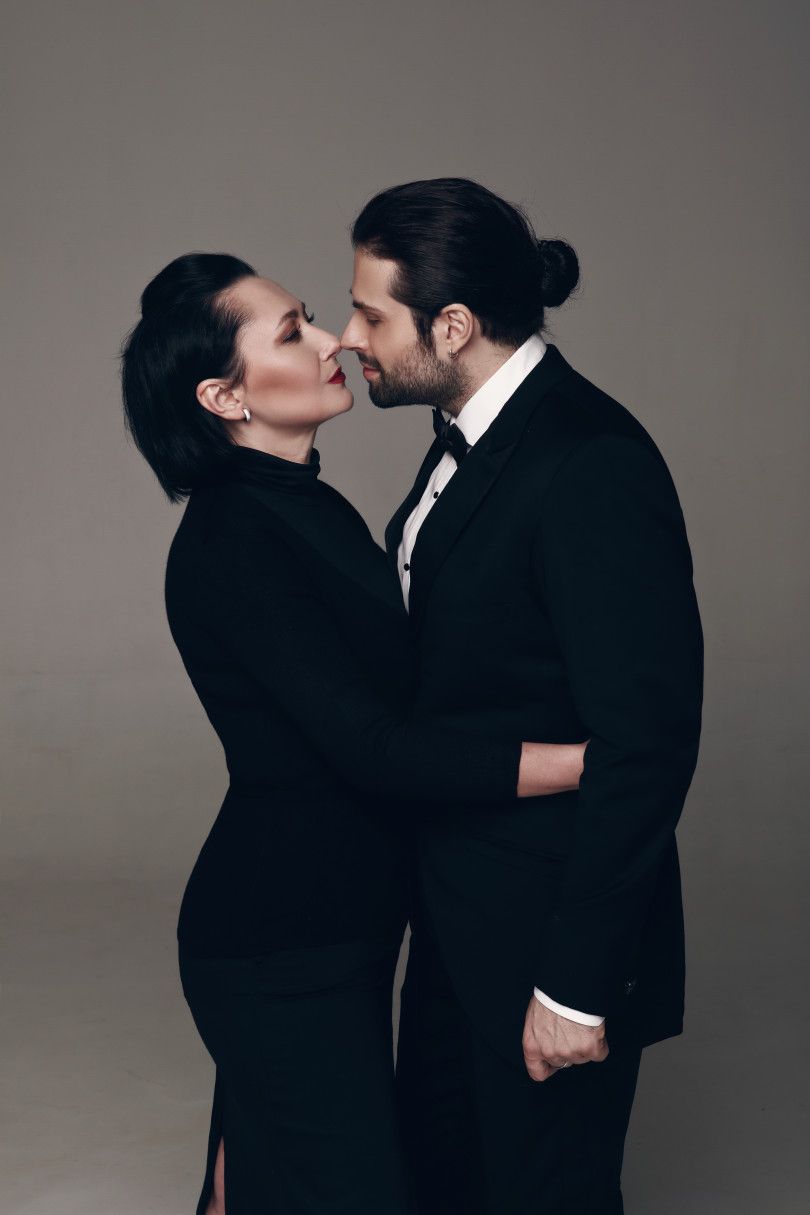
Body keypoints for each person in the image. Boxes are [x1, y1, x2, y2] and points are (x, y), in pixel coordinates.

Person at [120, 252, 586, 1215]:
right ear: (224, 396)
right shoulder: (235, 540)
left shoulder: (303, 505)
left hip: (339, 928)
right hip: (282, 944)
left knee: (262, 1175)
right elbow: (375, 748)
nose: (334, 340)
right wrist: (594, 763)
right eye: (293, 332)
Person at [340, 178, 704, 1214]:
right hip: (455, 922)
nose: (350, 337)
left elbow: (647, 743)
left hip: (548, 941)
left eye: (371, 314)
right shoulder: (472, 428)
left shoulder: (590, 462)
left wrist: (575, 988)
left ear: (453, 327)